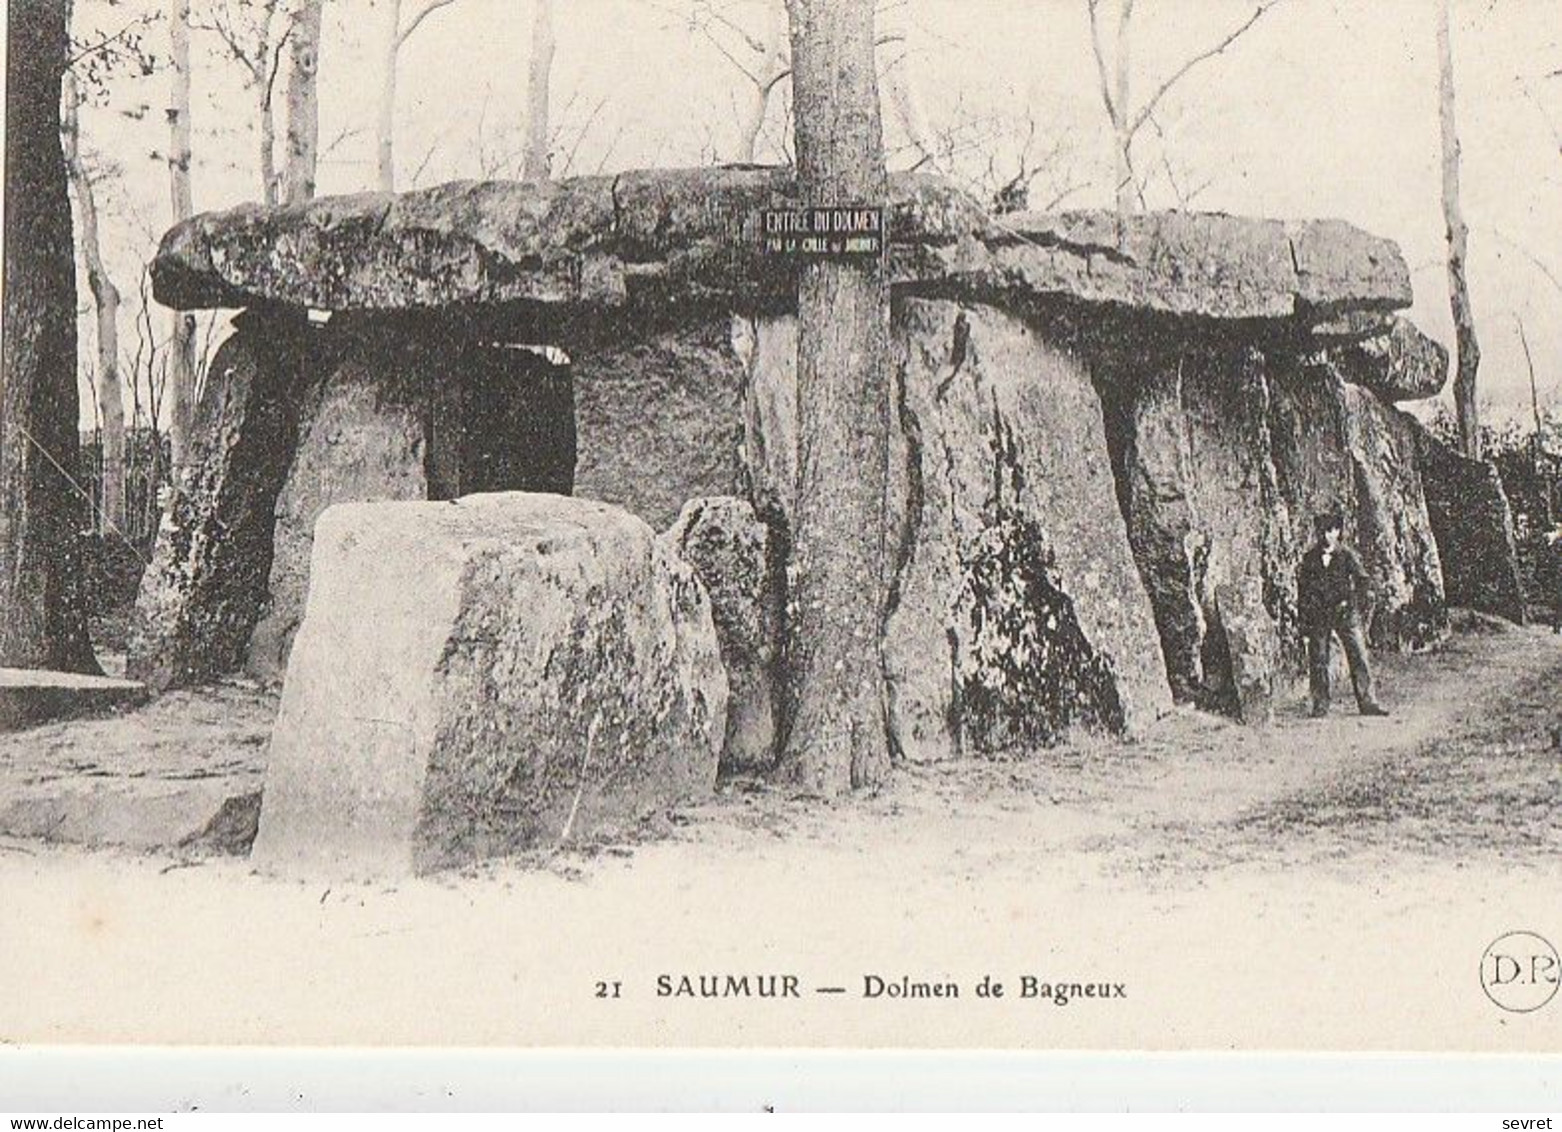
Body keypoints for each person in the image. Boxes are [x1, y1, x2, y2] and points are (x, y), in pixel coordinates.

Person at [1296, 510, 1389, 718]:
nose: (1327, 535)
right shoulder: (1310, 558)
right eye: (1323, 530)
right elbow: (1303, 588)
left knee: (1358, 654)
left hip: (1346, 612)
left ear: (1338, 532)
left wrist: (1353, 603)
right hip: (1320, 613)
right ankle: (1320, 704)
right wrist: (1306, 617)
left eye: (1332, 530)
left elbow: (1363, 580)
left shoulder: (1347, 555)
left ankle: (1368, 703)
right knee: (1319, 658)